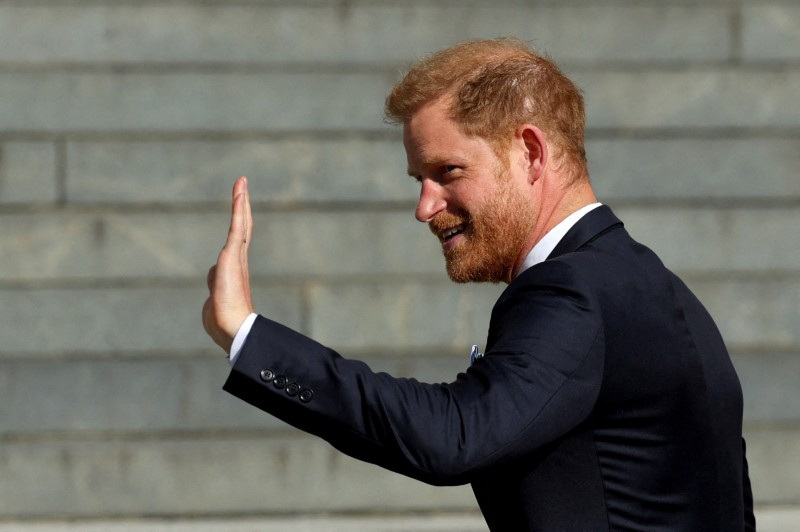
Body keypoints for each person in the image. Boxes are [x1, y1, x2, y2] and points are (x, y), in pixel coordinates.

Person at [203, 38, 755, 530]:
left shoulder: (573, 292)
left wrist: (246, 333)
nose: (425, 208)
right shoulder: (651, 283)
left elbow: (454, 435)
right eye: (420, 180)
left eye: (448, 172)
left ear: (531, 153)